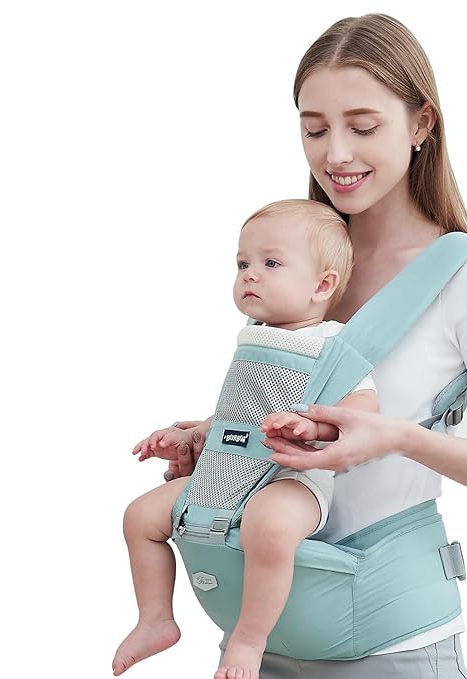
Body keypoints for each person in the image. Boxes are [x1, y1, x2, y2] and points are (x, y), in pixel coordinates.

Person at [139, 13, 467, 679]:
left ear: (421, 124)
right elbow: (291, 406)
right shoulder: (291, 260)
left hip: (391, 644)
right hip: (255, 638)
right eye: (315, 129)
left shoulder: (466, 280)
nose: (335, 154)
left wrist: (398, 438)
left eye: (362, 127)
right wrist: (212, 438)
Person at [112, 199, 378, 678]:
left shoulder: (331, 344)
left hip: (292, 480)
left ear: (322, 285)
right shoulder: (254, 336)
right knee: (140, 516)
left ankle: (250, 640)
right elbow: (236, 411)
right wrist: (190, 435)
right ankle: (155, 619)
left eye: (271, 263)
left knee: (269, 528)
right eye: (242, 264)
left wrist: (315, 428)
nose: (250, 274)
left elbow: (364, 409)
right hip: (225, 470)